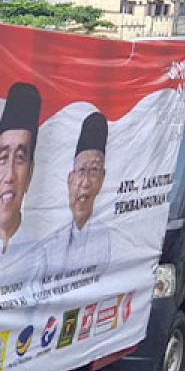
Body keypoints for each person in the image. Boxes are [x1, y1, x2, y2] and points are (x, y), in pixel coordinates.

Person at [40, 111, 111, 280]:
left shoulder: (104, 238)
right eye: (81, 171)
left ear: (102, 178)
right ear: (70, 179)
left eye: (93, 171)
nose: (85, 182)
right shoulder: (50, 243)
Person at [0, 82, 42, 257]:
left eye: (20, 159)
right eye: (3, 158)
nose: (9, 176)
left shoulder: (40, 258)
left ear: (30, 174)